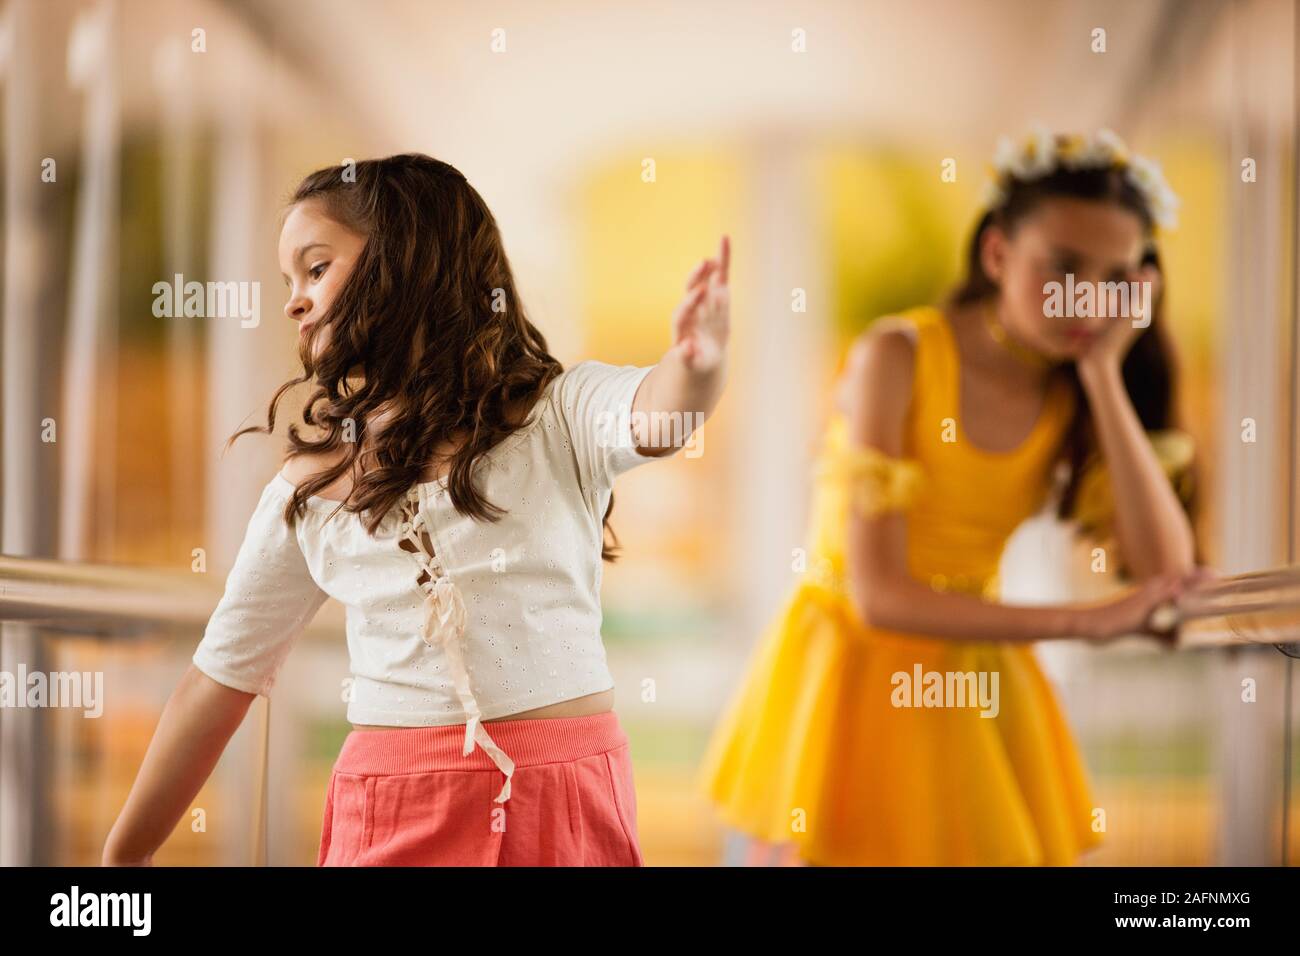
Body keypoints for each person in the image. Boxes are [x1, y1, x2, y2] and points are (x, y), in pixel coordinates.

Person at [103, 153, 730, 866]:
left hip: (565, 810)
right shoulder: (308, 491)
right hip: (392, 812)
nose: (294, 301)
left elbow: (657, 416)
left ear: (407, 261)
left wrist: (699, 364)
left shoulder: (559, 415)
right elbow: (216, 682)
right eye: (288, 281)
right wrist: (124, 855)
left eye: (316, 268)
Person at [697, 129, 1208, 866]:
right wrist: (1085, 622)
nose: (1085, 298)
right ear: (997, 254)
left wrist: (1104, 375)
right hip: (849, 681)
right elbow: (879, 595)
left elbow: (1166, 569)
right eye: (1063, 266)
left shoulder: (1075, 382)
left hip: (974, 681)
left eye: (1114, 277)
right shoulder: (896, 356)